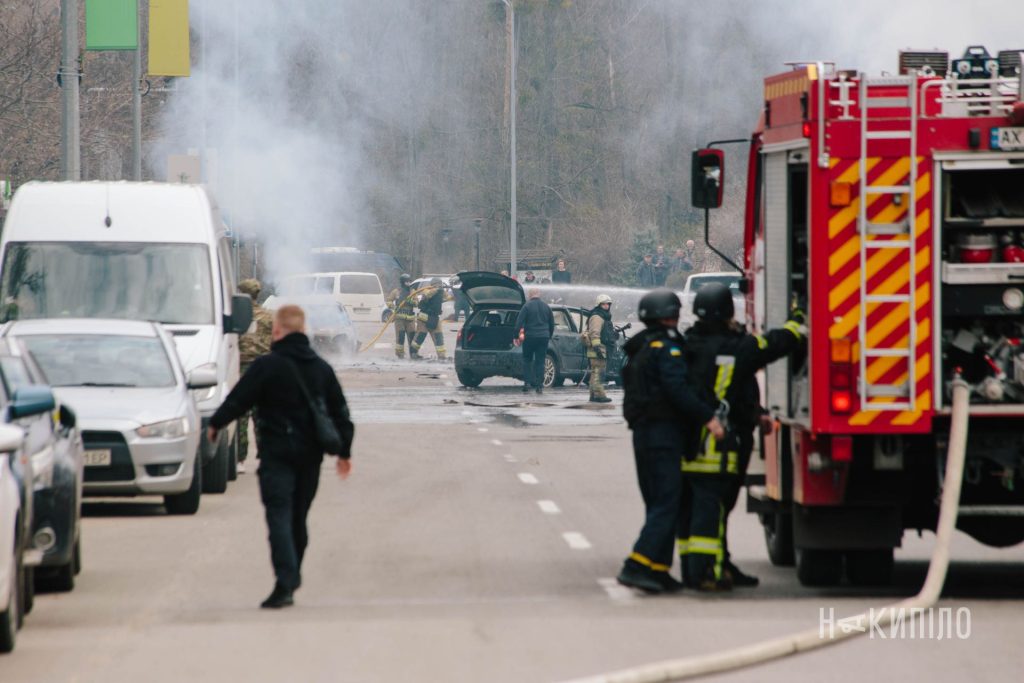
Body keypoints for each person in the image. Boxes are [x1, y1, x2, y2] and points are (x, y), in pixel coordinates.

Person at [207, 304, 354, 609]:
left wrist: (216, 424)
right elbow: (341, 413)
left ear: (277, 331)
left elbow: (238, 399)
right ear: (303, 332)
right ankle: (291, 574)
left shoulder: (266, 367)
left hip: (276, 456)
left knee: (279, 517)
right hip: (310, 458)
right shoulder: (321, 369)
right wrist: (344, 453)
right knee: (298, 519)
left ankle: (285, 583)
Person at [678, 282, 804, 591]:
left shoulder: (685, 346)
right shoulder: (736, 347)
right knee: (714, 509)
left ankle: (708, 566)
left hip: (689, 443)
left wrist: (753, 412)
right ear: (726, 312)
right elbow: (775, 343)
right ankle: (708, 572)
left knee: (697, 510)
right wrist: (798, 317)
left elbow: (728, 391)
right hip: (719, 446)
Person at [617, 289, 723, 594]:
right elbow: (677, 389)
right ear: (669, 315)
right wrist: (708, 417)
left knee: (658, 503)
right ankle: (636, 565)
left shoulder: (642, 347)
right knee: (668, 502)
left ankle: (658, 569)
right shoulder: (667, 349)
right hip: (663, 435)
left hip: (645, 435)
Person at [236, 278, 274, 474]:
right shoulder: (268, 317)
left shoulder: (237, 316)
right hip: (264, 370)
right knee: (262, 417)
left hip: (242, 370)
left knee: (241, 417)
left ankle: (240, 460)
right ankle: (263, 458)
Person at [513, 288, 554, 394]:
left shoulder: (526, 306)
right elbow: (551, 324)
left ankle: (527, 383)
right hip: (543, 337)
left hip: (530, 337)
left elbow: (519, 323)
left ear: (529, 295)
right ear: (539, 294)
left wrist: (515, 336)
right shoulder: (546, 307)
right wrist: (549, 335)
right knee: (540, 361)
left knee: (527, 360)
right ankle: (539, 386)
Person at [585, 294, 616, 403]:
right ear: (599, 305)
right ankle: (599, 395)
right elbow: (595, 333)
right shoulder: (597, 316)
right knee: (599, 372)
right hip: (598, 349)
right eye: (604, 304)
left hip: (601, 348)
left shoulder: (603, 316)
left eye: (608, 304)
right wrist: (597, 347)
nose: (607, 306)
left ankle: (593, 395)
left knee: (595, 372)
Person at [411, 278, 447, 360]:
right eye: (439, 284)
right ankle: (413, 353)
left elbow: (448, 297)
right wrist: (436, 289)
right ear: (434, 284)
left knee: (439, 337)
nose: (440, 286)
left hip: (434, 318)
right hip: (424, 318)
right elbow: (427, 294)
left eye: (441, 285)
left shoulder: (441, 292)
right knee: (421, 335)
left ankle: (441, 356)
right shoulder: (427, 290)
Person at [387, 273, 418, 359]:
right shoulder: (396, 291)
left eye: (409, 281)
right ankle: (400, 354)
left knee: (412, 336)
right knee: (400, 336)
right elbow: (389, 300)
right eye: (406, 282)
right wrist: (393, 306)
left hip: (410, 319)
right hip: (399, 319)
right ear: (402, 282)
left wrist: (411, 302)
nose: (408, 283)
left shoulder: (412, 291)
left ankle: (413, 354)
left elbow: (416, 303)